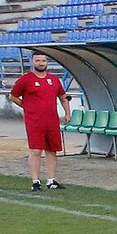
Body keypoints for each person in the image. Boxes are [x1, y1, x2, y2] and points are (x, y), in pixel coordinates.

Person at [8, 52, 70, 191]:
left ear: (46, 62)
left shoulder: (53, 79)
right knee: (36, 151)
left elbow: (62, 96)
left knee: (52, 150)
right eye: (38, 60)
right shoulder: (26, 79)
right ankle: (35, 181)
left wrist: (67, 113)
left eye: (43, 60)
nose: (41, 63)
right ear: (32, 62)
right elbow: (12, 96)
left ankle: (51, 180)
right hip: (34, 121)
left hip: (52, 120)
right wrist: (27, 106)